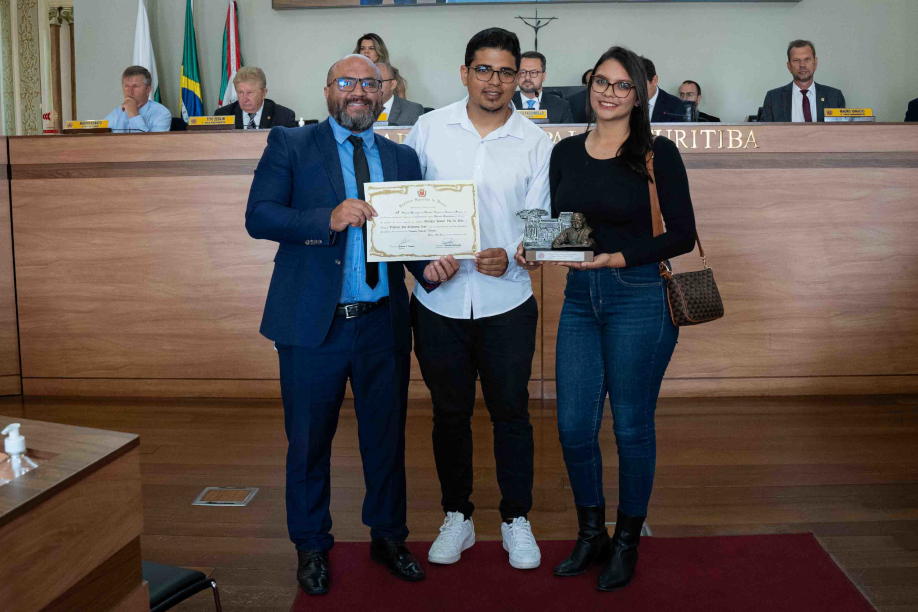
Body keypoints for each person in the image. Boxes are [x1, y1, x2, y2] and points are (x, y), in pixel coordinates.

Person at [245, 53, 459, 596]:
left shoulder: (401, 157)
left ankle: (388, 538)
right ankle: (312, 545)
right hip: (311, 325)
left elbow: (409, 240)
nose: (359, 91)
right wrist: (328, 218)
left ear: (384, 92)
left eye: (369, 83)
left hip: (382, 324)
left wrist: (429, 270)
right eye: (347, 82)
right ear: (328, 91)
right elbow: (259, 215)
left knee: (385, 441)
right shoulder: (291, 143)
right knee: (308, 442)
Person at [515, 45, 696, 592]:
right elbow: (566, 225)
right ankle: (591, 534)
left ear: (639, 94)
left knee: (631, 426)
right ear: (589, 85)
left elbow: (681, 235)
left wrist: (619, 257)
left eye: (621, 85)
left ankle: (627, 541)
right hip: (580, 298)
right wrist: (535, 247)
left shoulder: (658, 153)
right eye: (601, 82)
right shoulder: (566, 151)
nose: (609, 93)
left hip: (639, 295)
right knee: (573, 426)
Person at [404, 27, 552, 571]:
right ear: (465, 72)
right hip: (438, 304)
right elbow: (403, 210)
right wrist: (423, 262)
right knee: (449, 415)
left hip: (506, 302)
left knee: (512, 414)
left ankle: (516, 518)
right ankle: (457, 516)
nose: (495, 81)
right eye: (484, 69)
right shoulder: (427, 129)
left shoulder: (536, 142)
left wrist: (513, 255)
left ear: (519, 78)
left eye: (506, 71)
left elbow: (540, 230)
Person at [761, 40, 845, 122]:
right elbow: (764, 131)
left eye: (807, 59)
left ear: (815, 63)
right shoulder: (773, 98)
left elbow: (842, 130)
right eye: (796, 60)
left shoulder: (835, 97)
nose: (802, 65)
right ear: (789, 66)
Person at [214, 67, 297, 129]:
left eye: (250, 93)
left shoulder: (284, 117)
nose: (244, 99)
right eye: (240, 92)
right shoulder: (223, 115)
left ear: (263, 93)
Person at [103, 66, 171, 133]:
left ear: (148, 89)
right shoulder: (116, 113)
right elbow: (101, 136)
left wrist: (134, 115)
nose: (130, 92)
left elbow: (150, 140)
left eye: (135, 86)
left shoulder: (162, 114)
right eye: (126, 86)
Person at [511, 51, 574, 123]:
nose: (527, 77)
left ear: (543, 76)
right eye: (522, 72)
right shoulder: (506, 103)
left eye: (533, 72)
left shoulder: (561, 106)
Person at [354, 33, 408, 98]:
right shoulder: (351, 73)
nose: (366, 51)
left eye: (372, 48)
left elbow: (402, 103)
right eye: (362, 48)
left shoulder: (394, 76)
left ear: (380, 51)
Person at [642, 57, 686, 122]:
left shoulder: (675, 105)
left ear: (654, 81)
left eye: (640, 85)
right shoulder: (629, 102)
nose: (636, 90)